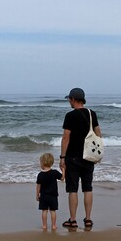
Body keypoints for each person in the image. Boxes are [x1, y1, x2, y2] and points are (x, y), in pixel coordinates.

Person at [59, 88, 101, 229]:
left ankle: (73, 220)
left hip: (73, 157)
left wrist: (62, 157)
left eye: (69, 99)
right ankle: (88, 219)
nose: (69, 102)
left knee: (73, 189)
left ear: (73, 99)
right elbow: (98, 134)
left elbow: (66, 138)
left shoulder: (70, 116)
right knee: (87, 188)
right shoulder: (91, 114)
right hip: (89, 156)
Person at [36, 152, 64, 231]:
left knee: (44, 211)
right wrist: (63, 170)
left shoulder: (40, 174)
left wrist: (37, 195)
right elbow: (62, 178)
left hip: (43, 196)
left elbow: (38, 186)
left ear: (43, 163)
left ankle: (44, 225)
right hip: (53, 196)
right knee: (53, 211)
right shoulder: (54, 172)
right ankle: (53, 225)